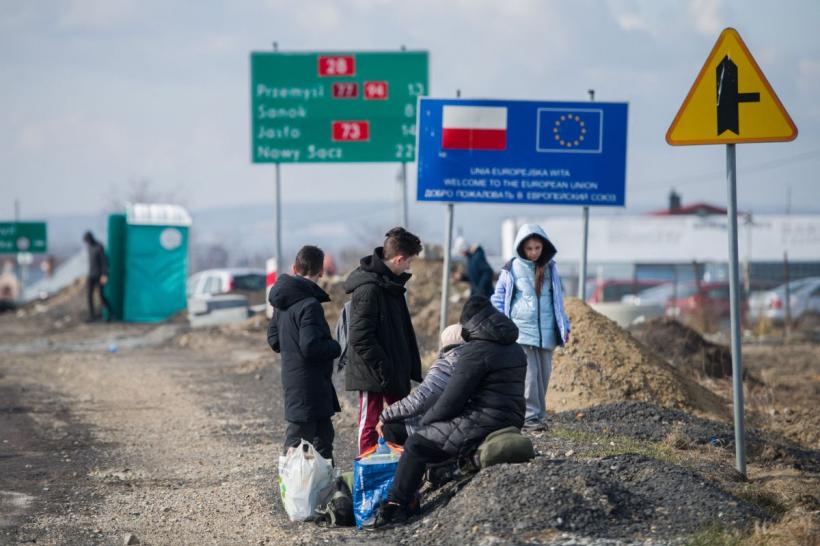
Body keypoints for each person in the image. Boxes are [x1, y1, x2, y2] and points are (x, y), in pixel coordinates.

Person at [368, 296, 526, 528]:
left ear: (471, 324)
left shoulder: (476, 351)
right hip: (511, 418)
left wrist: (426, 425)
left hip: (484, 419)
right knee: (433, 436)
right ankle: (439, 472)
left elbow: (451, 401)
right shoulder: (514, 348)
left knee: (416, 444)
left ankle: (396, 506)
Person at [344, 227, 423, 455]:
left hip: (392, 368)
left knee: (403, 417)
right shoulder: (369, 289)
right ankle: (367, 468)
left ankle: (401, 465)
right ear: (399, 259)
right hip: (373, 371)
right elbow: (360, 337)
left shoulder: (391, 285)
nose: (409, 267)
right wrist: (383, 366)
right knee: (369, 422)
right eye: (408, 262)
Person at [490, 224, 570, 430]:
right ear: (521, 248)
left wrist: (565, 325)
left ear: (544, 247)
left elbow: (558, 300)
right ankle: (529, 417)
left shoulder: (551, 268)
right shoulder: (511, 268)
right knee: (529, 377)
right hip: (521, 331)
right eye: (529, 248)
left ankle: (538, 417)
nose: (534, 252)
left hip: (547, 333)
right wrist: (501, 325)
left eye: (537, 248)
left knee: (543, 377)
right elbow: (498, 298)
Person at [267, 245, 342, 462]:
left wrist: (290, 347)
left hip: (295, 381)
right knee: (299, 442)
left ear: (294, 268)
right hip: (310, 385)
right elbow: (310, 346)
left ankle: (324, 481)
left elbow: (274, 340)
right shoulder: (310, 305)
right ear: (321, 272)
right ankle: (292, 483)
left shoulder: (282, 302)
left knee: (323, 437)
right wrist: (336, 347)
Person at [376, 324, 465, 446]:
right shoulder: (475, 362)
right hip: (464, 423)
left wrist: (385, 415)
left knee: (390, 428)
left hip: (445, 427)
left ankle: (405, 458)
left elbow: (418, 400)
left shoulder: (446, 365)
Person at [83, 231, 111, 322]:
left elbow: (104, 261)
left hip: (99, 275)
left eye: (87, 240)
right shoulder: (89, 248)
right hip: (91, 275)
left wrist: (104, 275)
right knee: (89, 296)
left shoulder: (99, 247)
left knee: (101, 296)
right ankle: (92, 316)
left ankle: (109, 313)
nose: (87, 242)